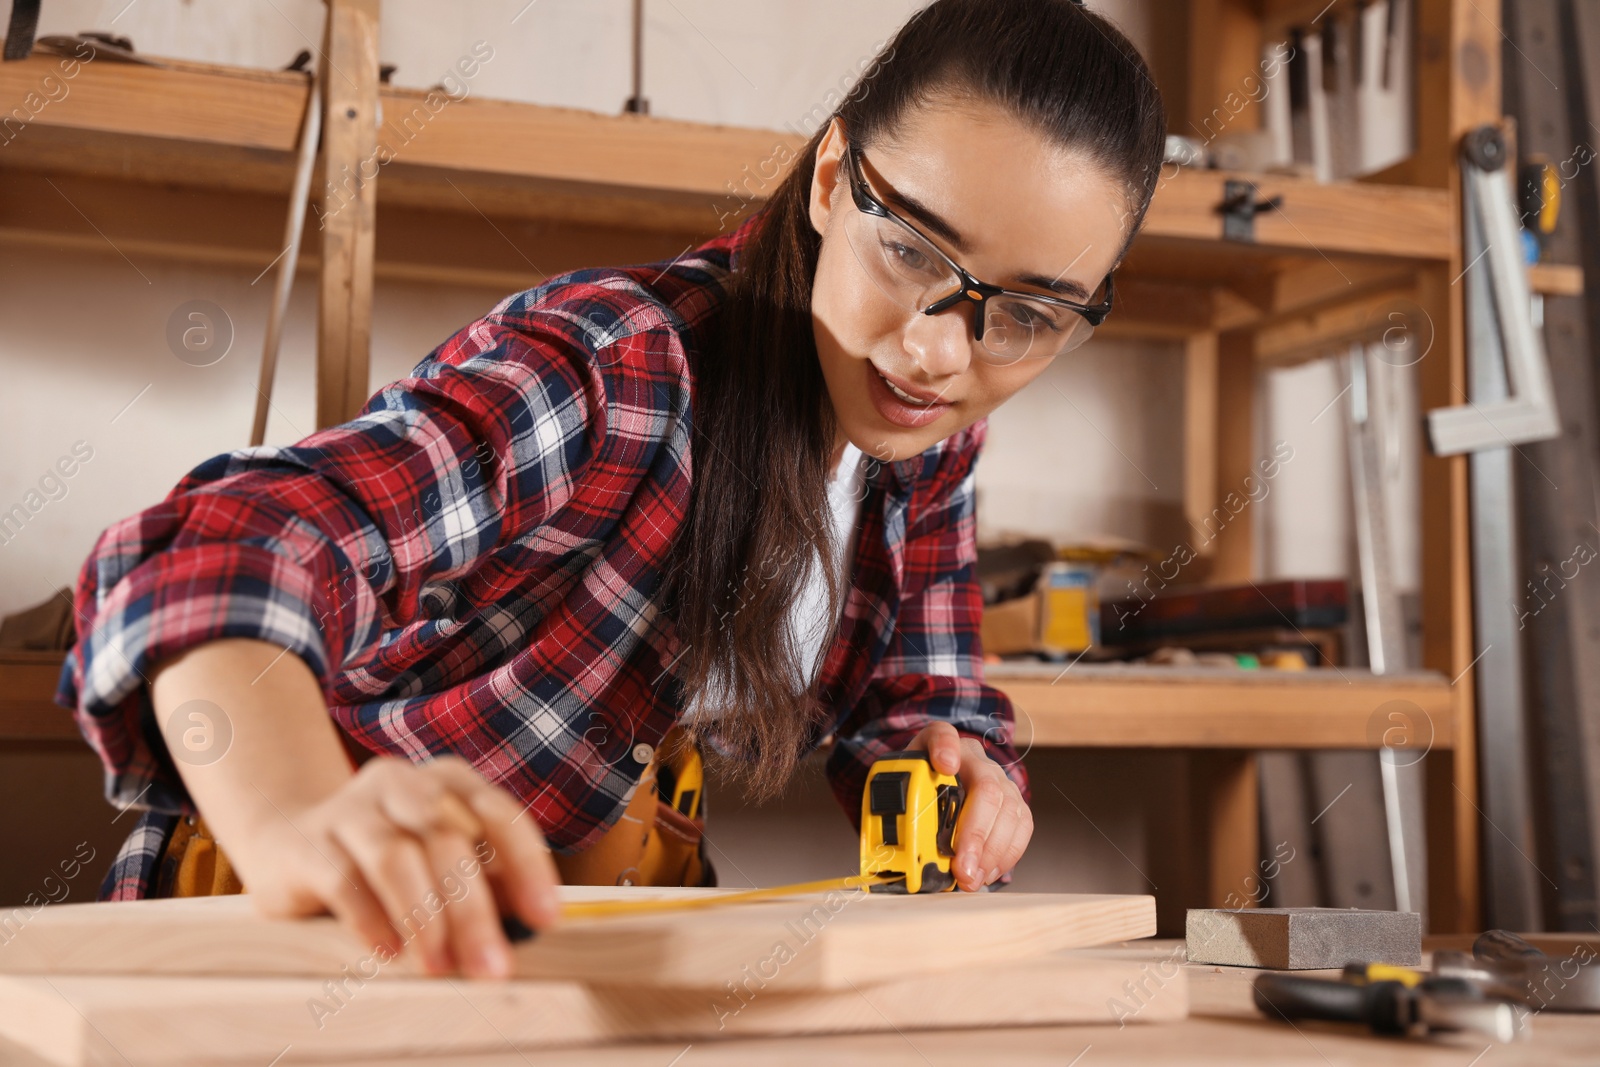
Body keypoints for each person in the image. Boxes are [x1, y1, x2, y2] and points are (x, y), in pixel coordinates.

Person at [59, 0, 1165, 979]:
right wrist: (300, 814)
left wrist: (961, 764)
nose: (935, 352)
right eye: (912, 250)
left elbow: (920, 696)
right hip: (320, 933)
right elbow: (220, 548)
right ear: (833, 181)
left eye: (1024, 315)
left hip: (575, 933)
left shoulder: (924, 438)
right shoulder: (618, 370)